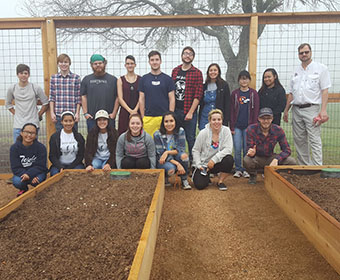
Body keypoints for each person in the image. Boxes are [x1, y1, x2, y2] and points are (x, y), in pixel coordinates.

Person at [283, 43, 331, 165]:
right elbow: (291, 93)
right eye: (301, 53)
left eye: (306, 52)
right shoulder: (295, 71)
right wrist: (286, 110)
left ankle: (316, 167)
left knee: (314, 139)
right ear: (298, 55)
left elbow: (325, 90)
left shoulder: (321, 68)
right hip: (296, 109)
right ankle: (304, 167)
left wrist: (323, 110)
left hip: (312, 109)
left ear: (310, 52)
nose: (304, 55)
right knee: (299, 140)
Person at [244, 107, 296, 184]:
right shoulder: (251, 129)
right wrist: (252, 152)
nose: (265, 121)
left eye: (268, 118)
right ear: (258, 119)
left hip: (271, 157)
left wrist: (277, 159)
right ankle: (253, 175)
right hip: (257, 158)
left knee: (292, 161)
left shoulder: (278, 130)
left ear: (272, 119)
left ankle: (280, 175)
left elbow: (287, 150)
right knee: (246, 160)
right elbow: (249, 148)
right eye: (263, 118)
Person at [171, 46, 203, 162]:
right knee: (175, 138)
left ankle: (193, 163)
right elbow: (171, 92)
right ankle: (177, 162)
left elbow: (198, 95)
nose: (187, 55)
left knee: (190, 139)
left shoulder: (197, 73)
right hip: (176, 112)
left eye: (190, 54)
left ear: (193, 57)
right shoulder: (175, 71)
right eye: (185, 53)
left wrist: (190, 112)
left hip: (189, 112)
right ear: (182, 56)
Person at [192, 109, 234, 191]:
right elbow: (196, 150)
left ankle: (220, 181)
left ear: (222, 120)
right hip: (204, 165)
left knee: (229, 159)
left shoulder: (226, 131)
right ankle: (206, 176)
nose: (216, 122)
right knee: (199, 185)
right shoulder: (203, 133)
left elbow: (228, 149)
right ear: (210, 121)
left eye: (219, 119)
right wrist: (198, 164)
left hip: (217, 162)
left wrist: (214, 160)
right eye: (214, 119)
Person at [6, 64, 49, 143]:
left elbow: (45, 102)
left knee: (32, 149)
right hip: (18, 125)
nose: (23, 75)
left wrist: (39, 114)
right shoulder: (12, 88)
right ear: (17, 74)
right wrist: (15, 113)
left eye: (25, 73)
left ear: (29, 75)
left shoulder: (35, 87)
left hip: (33, 124)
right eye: (21, 73)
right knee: (18, 148)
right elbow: (8, 104)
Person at [138, 50, 175, 137]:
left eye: (157, 60)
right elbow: (141, 99)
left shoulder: (168, 79)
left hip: (164, 118)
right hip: (148, 118)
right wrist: (143, 117)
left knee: (165, 144)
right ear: (149, 62)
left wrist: (170, 116)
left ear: (160, 61)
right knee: (149, 144)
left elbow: (172, 99)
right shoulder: (144, 79)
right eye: (152, 60)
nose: (155, 62)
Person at [230, 70, 259, 179]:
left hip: (249, 127)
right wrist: (232, 126)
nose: (244, 81)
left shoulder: (253, 94)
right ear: (239, 80)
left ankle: (247, 169)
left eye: (246, 78)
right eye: (242, 78)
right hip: (237, 126)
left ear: (249, 80)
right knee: (237, 148)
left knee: (247, 149)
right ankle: (238, 169)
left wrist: (254, 126)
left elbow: (256, 110)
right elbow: (232, 111)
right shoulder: (235, 94)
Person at [81, 54, 118, 132]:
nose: (98, 65)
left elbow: (117, 97)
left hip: (108, 118)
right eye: (95, 63)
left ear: (104, 63)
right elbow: (83, 96)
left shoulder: (113, 80)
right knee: (93, 141)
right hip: (92, 118)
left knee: (111, 141)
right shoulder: (86, 79)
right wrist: (85, 113)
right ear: (91, 65)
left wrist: (114, 113)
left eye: (100, 63)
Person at [154, 112, 191, 190]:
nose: (169, 124)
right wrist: (177, 164)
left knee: (184, 156)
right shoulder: (157, 134)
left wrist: (167, 152)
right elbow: (160, 154)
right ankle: (166, 177)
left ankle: (184, 179)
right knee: (171, 170)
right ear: (163, 123)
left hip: (175, 156)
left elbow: (181, 149)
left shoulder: (180, 131)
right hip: (164, 160)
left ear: (175, 121)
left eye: (171, 121)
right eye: (166, 121)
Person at [10, 123, 47, 197]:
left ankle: (39, 192)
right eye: (27, 132)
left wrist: (30, 174)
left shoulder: (41, 147)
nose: (29, 135)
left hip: (37, 173)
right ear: (21, 133)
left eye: (32, 133)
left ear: (36, 135)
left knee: (38, 180)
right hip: (22, 174)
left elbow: (41, 166)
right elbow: (15, 167)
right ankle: (23, 189)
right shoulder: (14, 148)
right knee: (17, 181)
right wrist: (26, 175)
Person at [49, 53, 82, 131]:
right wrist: (52, 112)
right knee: (59, 138)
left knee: (73, 137)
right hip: (59, 115)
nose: (63, 64)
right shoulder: (54, 78)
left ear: (69, 63)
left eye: (66, 62)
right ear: (58, 64)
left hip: (72, 115)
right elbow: (51, 97)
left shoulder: (76, 78)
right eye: (61, 62)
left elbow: (78, 98)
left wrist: (77, 113)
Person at [49, 111, 85, 176]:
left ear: (74, 122)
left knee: (78, 176)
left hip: (75, 165)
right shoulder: (55, 137)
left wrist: (70, 168)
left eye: (70, 121)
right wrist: (60, 167)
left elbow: (81, 155)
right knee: (55, 176)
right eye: (65, 121)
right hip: (58, 166)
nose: (68, 123)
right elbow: (52, 156)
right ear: (61, 122)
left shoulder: (79, 137)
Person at [199, 63, 230, 130]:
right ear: (208, 72)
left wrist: (225, 121)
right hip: (205, 116)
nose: (213, 72)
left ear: (218, 72)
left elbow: (227, 104)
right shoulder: (204, 86)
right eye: (211, 70)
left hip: (218, 118)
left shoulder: (224, 85)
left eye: (215, 70)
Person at [116, 55, 141, 135]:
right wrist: (130, 111)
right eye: (128, 63)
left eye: (132, 63)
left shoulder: (141, 79)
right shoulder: (120, 80)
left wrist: (135, 110)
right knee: (123, 134)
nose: (130, 65)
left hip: (137, 111)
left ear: (135, 65)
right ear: (125, 65)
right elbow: (120, 98)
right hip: (125, 112)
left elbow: (141, 97)